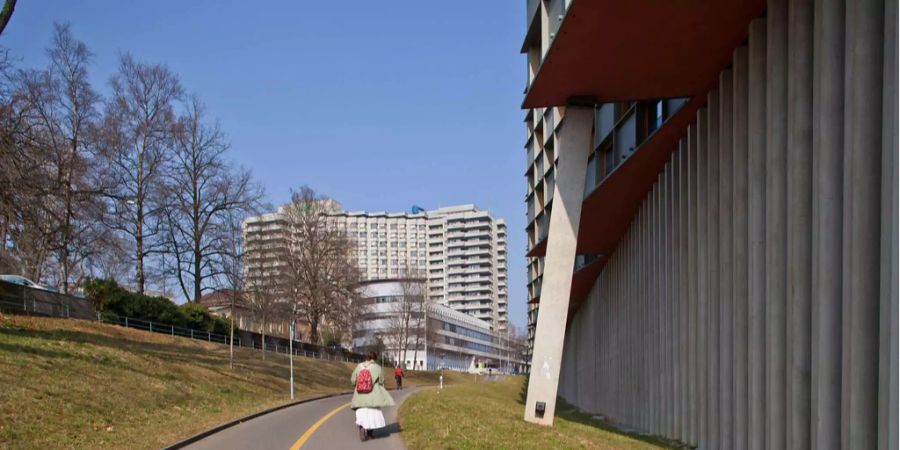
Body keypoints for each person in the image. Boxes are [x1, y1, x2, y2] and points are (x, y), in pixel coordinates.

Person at [351, 351, 395, 442]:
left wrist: (358, 385)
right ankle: (370, 434)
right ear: (375, 358)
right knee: (372, 413)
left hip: (359, 394)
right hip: (373, 394)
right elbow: (381, 382)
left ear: (367, 357)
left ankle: (361, 427)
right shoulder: (378, 368)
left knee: (360, 412)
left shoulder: (359, 366)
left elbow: (352, 380)